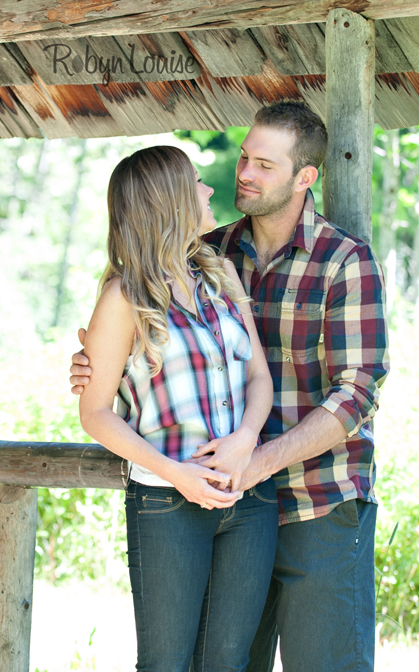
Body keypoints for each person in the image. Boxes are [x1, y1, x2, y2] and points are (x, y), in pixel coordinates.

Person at [72, 101, 389, 672]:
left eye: (264, 165)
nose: (242, 173)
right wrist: (98, 362)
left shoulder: (346, 261)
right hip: (221, 500)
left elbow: (357, 392)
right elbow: (141, 342)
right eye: (243, 158)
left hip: (318, 496)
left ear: (303, 177)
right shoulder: (211, 254)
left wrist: (255, 456)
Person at [78, 145, 276, 671]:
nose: (210, 189)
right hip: (166, 504)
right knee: (165, 664)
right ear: (167, 202)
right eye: (196, 182)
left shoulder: (221, 277)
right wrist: (178, 474)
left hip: (248, 496)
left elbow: (258, 374)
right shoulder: (125, 297)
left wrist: (246, 438)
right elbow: (95, 412)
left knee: (228, 663)